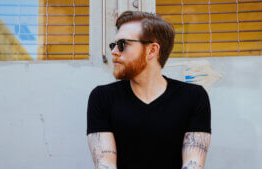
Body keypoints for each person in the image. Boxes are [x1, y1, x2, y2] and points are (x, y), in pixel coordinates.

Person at [87, 10, 211, 169]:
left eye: (122, 44)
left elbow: (193, 164)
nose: (114, 51)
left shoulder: (193, 97)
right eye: (113, 45)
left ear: (152, 50)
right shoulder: (103, 97)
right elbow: (105, 164)